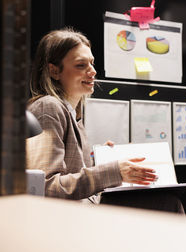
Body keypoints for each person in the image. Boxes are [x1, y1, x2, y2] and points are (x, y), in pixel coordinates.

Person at [26, 28, 158, 202]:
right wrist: (114, 171)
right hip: (68, 220)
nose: (93, 71)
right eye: (81, 65)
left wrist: (99, 159)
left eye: (92, 63)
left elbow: (71, 174)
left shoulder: (72, 115)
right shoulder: (47, 108)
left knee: (164, 200)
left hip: (84, 212)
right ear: (54, 71)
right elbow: (47, 187)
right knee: (166, 203)